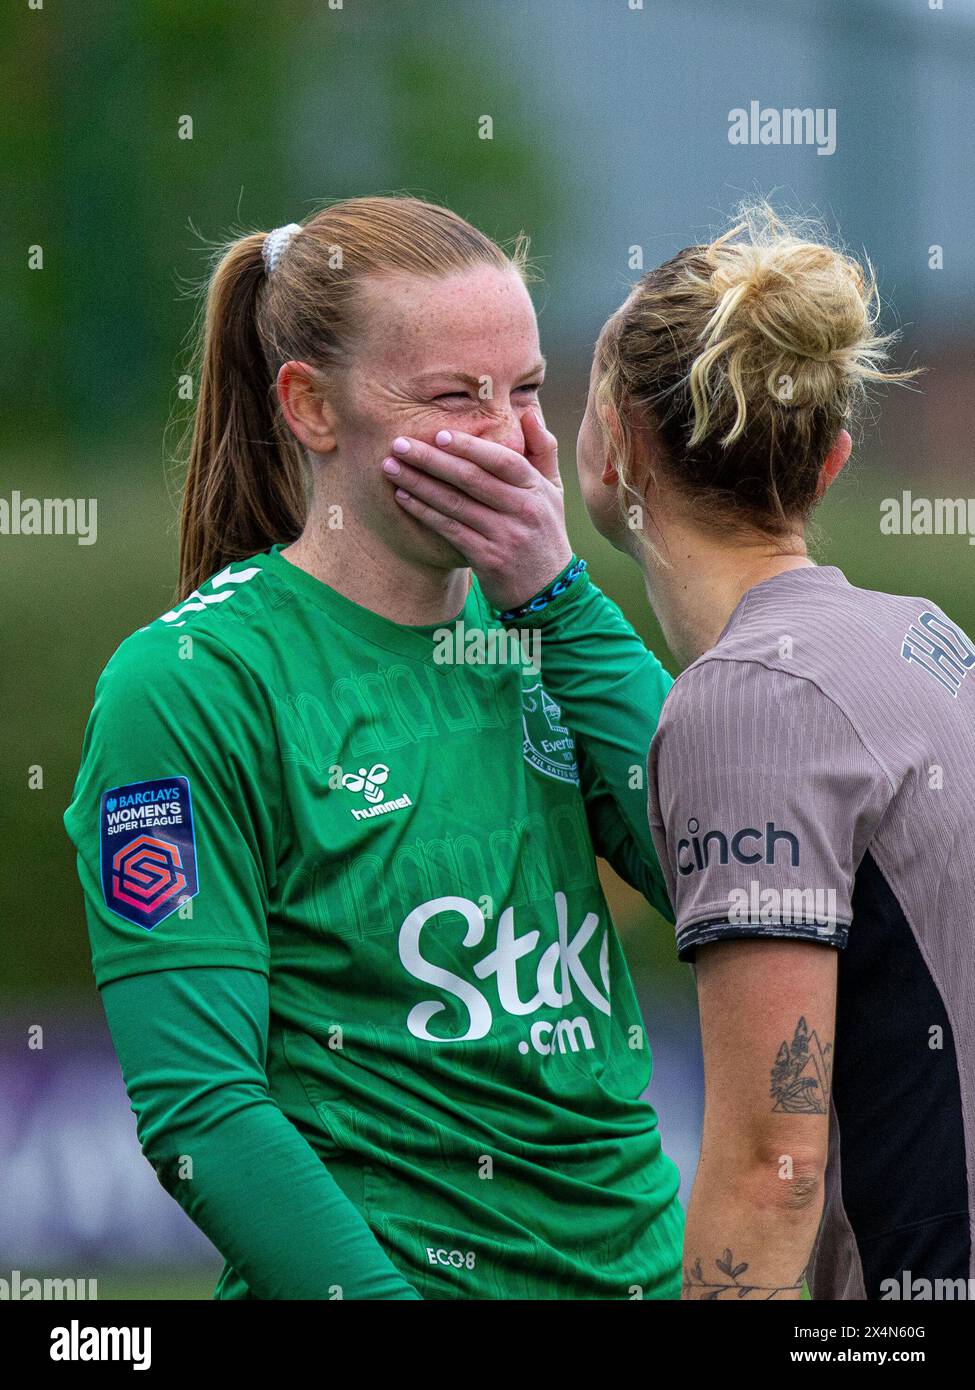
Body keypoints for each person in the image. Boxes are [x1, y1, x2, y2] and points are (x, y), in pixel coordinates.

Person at [63, 195, 686, 1300]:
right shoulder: (189, 686)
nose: (509, 438)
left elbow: (719, 873)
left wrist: (565, 603)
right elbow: (200, 1107)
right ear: (310, 407)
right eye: (456, 397)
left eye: (529, 391)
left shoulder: (549, 628)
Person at [395, 202, 974, 1301]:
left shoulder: (747, 702)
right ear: (833, 461)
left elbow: (772, 1171)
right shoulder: (921, 637)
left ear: (615, 444)